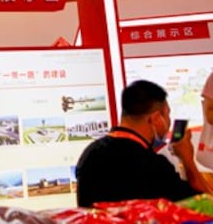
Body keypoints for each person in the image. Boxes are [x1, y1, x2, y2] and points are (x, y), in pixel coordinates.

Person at [75, 79, 208, 207]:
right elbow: (204, 205)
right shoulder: (152, 166)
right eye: (167, 114)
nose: (168, 122)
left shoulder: (90, 154)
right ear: (156, 118)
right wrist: (187, 159)